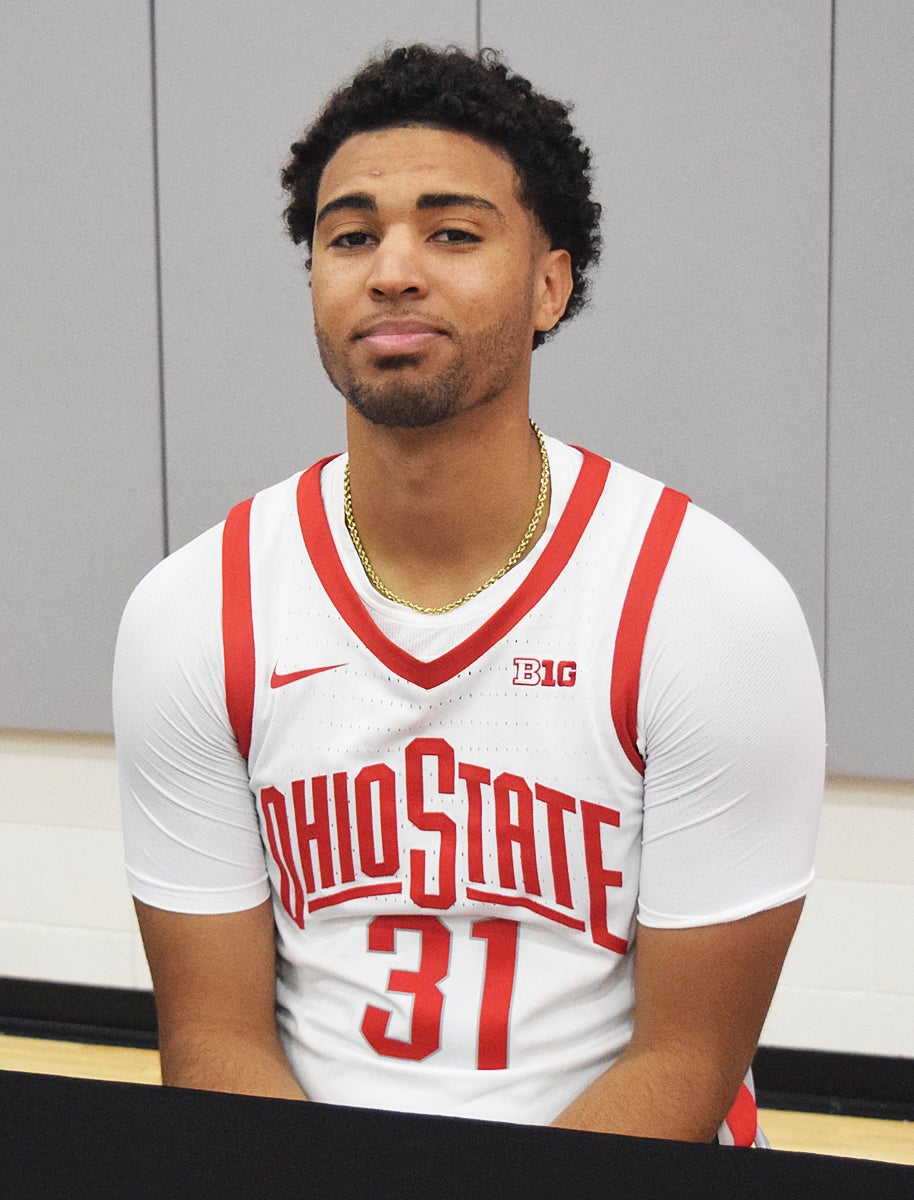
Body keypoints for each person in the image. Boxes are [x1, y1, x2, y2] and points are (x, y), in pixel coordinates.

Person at [114, 44, 825, 1146]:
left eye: (451, 232)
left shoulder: (705, 603)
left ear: (550, 283)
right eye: (349, 236)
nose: (391, 268)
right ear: (314, 279)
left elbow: (685, 1060)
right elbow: (214, 1040)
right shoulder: (191, 611)